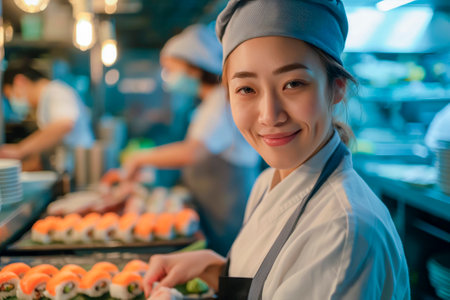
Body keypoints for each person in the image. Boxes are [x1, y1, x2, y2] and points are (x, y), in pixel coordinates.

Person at [144, 1, 410, 299]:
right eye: (247, 89)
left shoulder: (344, 232)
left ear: (336, 88)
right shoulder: (265, 185)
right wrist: (216, 270)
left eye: (293, 84)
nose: (270, 115)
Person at [111, 23, 260, 256]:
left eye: (171, 70)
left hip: (229, 208)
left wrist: (140, 158)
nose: (168, 78)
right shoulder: (209, 102)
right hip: (215, 207)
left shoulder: (221, 102)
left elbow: (193, 152)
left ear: (193, 68)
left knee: (233, 270)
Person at [0, 64, 94, 172]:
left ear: (19, 81)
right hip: (70, 171)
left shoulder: (55, 91)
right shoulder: (46, 100)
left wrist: (19, 150)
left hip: (80, 169)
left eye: (10, 95)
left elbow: (64, 124)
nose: (12, 102)